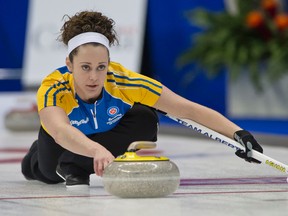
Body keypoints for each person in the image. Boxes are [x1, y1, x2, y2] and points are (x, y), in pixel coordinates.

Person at [21, 10, 263, 188]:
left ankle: (74, 166)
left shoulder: (126, 82)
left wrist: (239, 134)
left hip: (100, 141)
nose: (94, 77)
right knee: (47, 174)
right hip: (62, 142)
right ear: (69, 64)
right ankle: (43, 159)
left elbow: (188, 109)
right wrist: (96, 150)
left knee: (146, 118)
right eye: (85, 67)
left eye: (101, 67)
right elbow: (61, 132)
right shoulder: (54, 87)